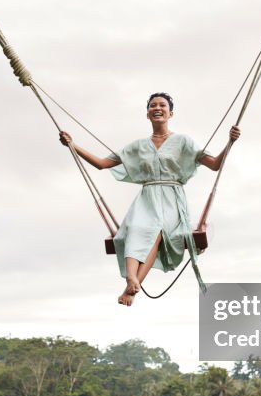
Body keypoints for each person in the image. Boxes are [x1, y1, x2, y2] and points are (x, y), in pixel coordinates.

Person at [60, 92, 241, 306]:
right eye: (152, 105)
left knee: (158, 231)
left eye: (162, 105)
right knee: (137, 228)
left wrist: (230, 142)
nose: (157, 108)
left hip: (172, 198)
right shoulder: (138, 146)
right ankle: (131, 278)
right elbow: (101, 163)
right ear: (147, 114)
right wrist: (73, 145)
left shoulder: (183, 141)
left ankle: (131, 289)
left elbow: (214, 164)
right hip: (147, 197)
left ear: (170, 113)